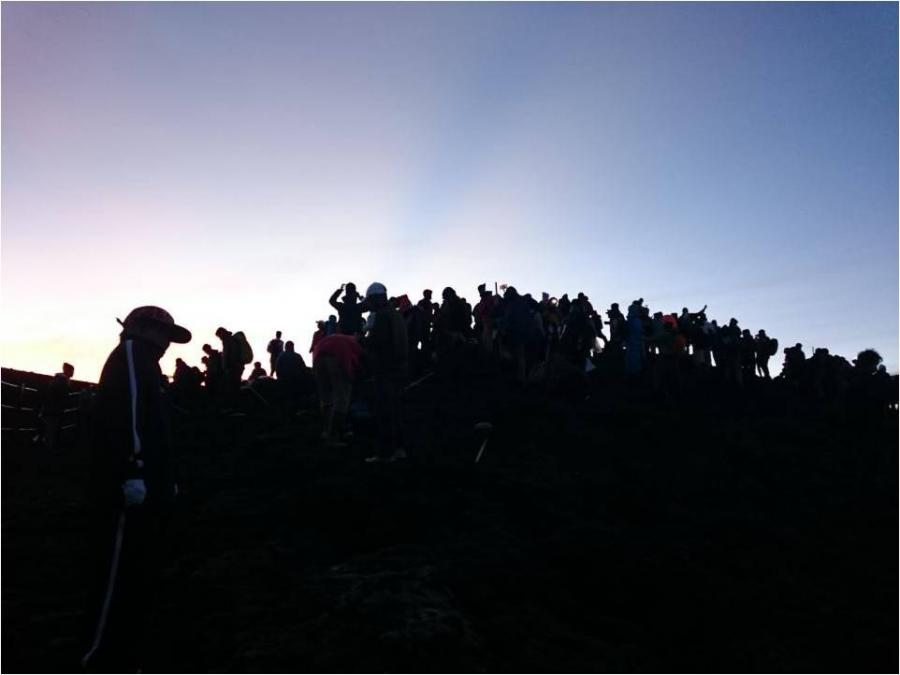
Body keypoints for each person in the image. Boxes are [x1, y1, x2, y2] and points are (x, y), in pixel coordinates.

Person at [82, 305, 191, 672]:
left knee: (135, 567)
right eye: (162, 333)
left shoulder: (148, 363)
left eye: (169, 337)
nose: (166, 343)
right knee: (116, 570)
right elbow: (129, 412)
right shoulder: (132, 354)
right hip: (127, 486)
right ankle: (99, 656)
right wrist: (134, 469)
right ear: (140, 328)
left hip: (147, 486)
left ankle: (123, 650)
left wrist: (164, 478)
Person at [362, 282, 408, 463]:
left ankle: (384, 454)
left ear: (375, 299)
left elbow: (378, 343)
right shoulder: (396, 315)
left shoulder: (381, 316)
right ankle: (399, 449)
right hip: (399, 368)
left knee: (384, 411)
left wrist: (362, 341)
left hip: (385, 369)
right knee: (396, 410)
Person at [312, 333, 363, 447]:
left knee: (326, 399)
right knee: (342, 400)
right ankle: (333, 437)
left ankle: (326, 431)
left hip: (318, 358)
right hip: (336, 358)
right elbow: (352, 364)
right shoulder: (355, 344)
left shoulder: (338, 338)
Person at [39, 362, 74, 452]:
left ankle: (47, 448)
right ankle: (48, 450)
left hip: (51, 409)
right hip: (54, 410)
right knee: (52, 430)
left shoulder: (58, 380)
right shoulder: (63, 381)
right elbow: (61, 396)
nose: (73, 373)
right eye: (72, 370)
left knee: (50, 430)